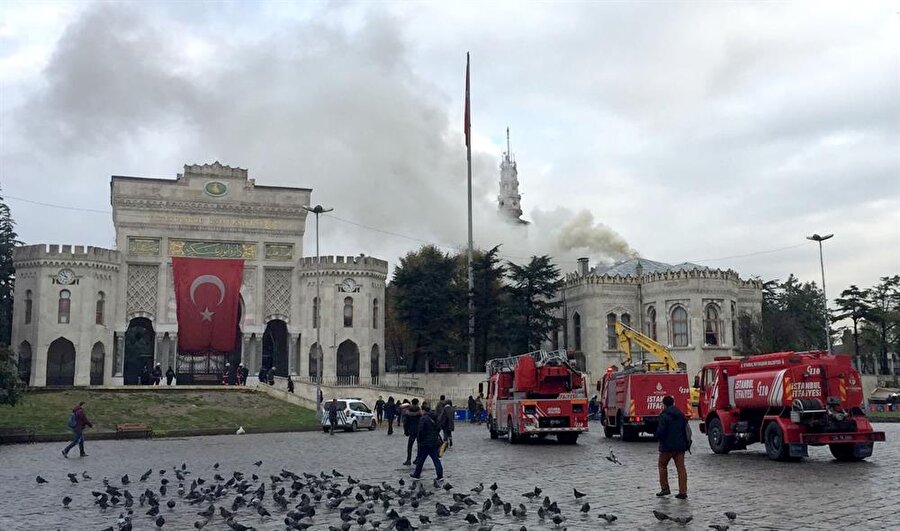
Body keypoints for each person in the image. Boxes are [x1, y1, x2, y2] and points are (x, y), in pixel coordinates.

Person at [655, 395, 690, 499]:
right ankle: (683, 491)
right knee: (681, 468)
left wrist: (657, 436)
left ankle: (665, 488)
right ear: (673, 403)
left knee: (662, 465)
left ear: (664, 404)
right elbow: (686, 429)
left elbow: (661, 431)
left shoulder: (664, 415)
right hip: (680, 446)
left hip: (667, 447)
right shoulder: (681, 414)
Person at [410, 402, 443, 480]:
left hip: (424, 443)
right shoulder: (435, 417)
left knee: (421, 459)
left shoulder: (424, 418)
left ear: (423, 410)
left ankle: (417, 474)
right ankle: (440, 475)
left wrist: (419, 440)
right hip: (434, 442)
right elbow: (439, 428)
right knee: (436, 460)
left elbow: (420, 431)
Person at [403, 399, 422, 466]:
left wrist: (406, 430)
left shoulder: (408, 411)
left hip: (411, 430)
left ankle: (408, 459)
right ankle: (418, 459)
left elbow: (405, 422)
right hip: (418, 430)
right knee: (419, 445)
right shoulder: (419, 411)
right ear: (417, 403)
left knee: (410, 446)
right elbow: (422, 421)